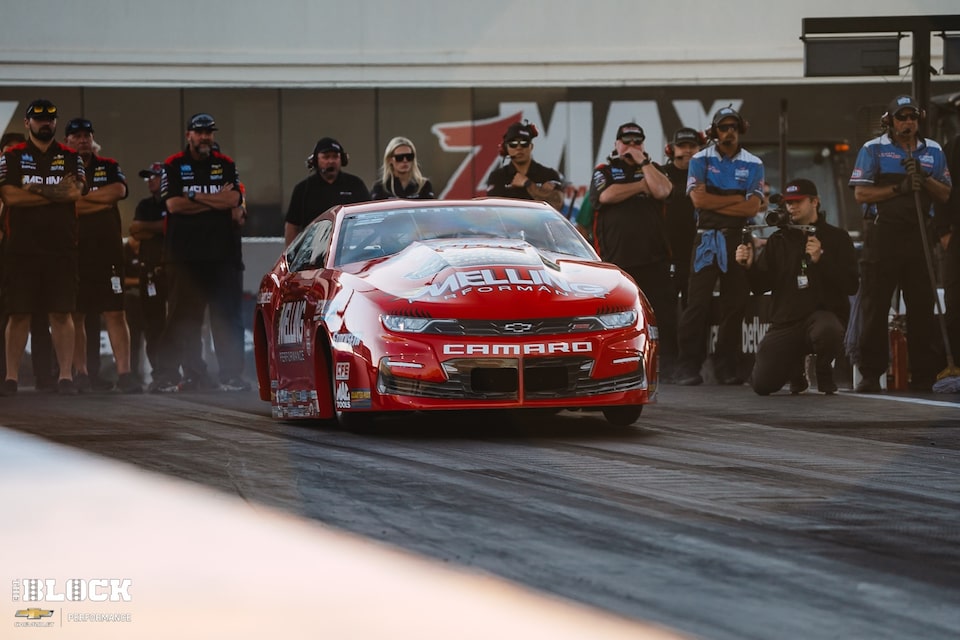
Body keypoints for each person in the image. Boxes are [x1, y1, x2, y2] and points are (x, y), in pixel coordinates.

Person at [849, 95, 952, 393]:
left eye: (912, 117)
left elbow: (945, 194)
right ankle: (870, 373)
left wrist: (924, 179)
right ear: (890, 122)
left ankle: (922, 374)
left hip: (920, 235)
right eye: (901, 118)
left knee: (922, 306)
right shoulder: (873, 149)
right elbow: (861, 195)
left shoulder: (933, 150)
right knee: (876, 305)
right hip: (883, 235)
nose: (908, 123)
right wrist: (900, 187)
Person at [151, 112, 248, 393]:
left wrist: (193, 196)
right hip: (184, 256)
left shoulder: (225, 163)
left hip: (223, 255)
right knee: (182, 318)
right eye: (199, 131)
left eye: (209, 132)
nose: (205, 136)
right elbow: (174, 206)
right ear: (189, 135)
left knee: (227, 317)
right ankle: (170, 375)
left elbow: (233, 200)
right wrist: (213, 201)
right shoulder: (173, 164)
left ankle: (231, 375)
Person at [736, 179, 859, 395]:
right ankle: (795, 370)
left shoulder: (837, 237)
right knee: (762, 385)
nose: (792, 207)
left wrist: (822, 260)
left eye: (798, 201)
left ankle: (823, 370)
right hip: (786, 321)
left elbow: (851, 285)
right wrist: (748, 267)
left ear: (815, 202)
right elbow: (760, 286)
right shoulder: (778, 239)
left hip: (823, 316)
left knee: (827, 329)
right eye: (788, 203)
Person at [674, 106, 765, 386]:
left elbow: (754, 205)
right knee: (697, 303)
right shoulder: (700, 159)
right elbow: (699, 202)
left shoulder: (754, 162)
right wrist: (737, 201)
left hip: (737, 237)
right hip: (706, 238)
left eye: (733, 127)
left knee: (735, 304)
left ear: (740, 130)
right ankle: (688, 365)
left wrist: (720, 201)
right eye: (724, 127)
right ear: (714, 131)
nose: (729, 132)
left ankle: (726, 365)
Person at [0, 99, 84, 396]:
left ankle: (64, 377)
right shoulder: (11, 156)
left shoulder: (72, 156)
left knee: (61, 313)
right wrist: (53, 193)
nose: (44, 123)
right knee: (18, 314)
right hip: (21, 248)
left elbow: (74, 192)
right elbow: (10, 197)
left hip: (61, 248)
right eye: (38, 119)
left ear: (56, 122)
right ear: (27, 123)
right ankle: (10, 378)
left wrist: (33, 189)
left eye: (50, 118)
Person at [589, 123, 675, 375]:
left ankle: (667, 365)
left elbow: (663, 190)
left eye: (637, 142)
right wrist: (640, 187)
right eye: (626, 142)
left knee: (663, 314)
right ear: (617, 144)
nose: (631, 147)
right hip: (617, 262)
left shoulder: (653, 169)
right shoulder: (605, 170)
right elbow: (607, 196)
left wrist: (644, 163)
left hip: (654, 258)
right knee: (617, 315)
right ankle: (619, 364)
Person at [63, 118, 141, 394]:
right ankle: (81, 373)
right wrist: (99, 199)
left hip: (109, 253)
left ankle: (125, 374)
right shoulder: (63, 167)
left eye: (87, 135)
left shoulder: (108, 165)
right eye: (77, 136)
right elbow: (65, 205)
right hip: (76, 253)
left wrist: (83, 199)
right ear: (68, 141)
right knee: (77, 314)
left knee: (115, 312)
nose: (83, 140)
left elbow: (118, 191)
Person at [660, 127, 704, 379]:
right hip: (665, 253)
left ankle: (691, 364)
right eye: (683, 145)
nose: (687, 150)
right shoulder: (662, 172)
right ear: (672, 149)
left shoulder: (705, 173)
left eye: (692, 146)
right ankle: (667, 363)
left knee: (694, 309)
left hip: (697, 251)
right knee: (665, 309)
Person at [284, 137, 369, 246]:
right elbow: (292, 226)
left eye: (335, 157)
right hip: (313, 251)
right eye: (326, 157)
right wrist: (290, 257)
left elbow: (369, 219)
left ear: (342, 159)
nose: (331, 161)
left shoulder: (356, 185)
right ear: (315, 161)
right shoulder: (303, 189)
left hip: (349, 249)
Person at [128, 162, 168, 380]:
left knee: (173, 322)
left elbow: (170, 227)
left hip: (170, 270)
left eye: (155, 176)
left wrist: (149, 227)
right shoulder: (144, 204)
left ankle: (176, 369)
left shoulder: (173, 202)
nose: (151, 181)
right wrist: (158, 227)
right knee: (153, 324)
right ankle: (158, 370)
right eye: (148, 178)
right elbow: (135, 231)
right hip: (148, 270)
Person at [486, 121, 564, 211]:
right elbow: (494, 210)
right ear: (506, 148)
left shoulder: (549, 175)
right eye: (513, 144)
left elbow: (557, 205)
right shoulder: (497, 176)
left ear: (531, 146)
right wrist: (541, 192)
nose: (519, 148)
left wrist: (528, 184)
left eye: (524, 143)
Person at [370, 137, 435, 200]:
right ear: (390, 160)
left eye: (409, 157)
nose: (405, 161)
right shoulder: (380, 187)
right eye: (399, 157)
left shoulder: (424, 185)